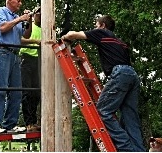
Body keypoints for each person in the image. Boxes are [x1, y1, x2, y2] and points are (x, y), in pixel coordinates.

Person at [61, 15, 145, 152]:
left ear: (102, 25)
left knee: (103, 111)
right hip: (132, 75)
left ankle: (126, 148)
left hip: (120, 73)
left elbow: (74, 34)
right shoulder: (120, 42)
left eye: (96, 25)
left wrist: (65, 37)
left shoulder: (101, 33)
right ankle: (138, 150)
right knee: (131, 117)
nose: (95, 27)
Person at [0, 0, 32, 134]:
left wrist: (28, 21)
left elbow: (27, 35)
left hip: (15, 55)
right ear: (10, 1)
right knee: (0, 88)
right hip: (2, 52)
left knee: (16, 91)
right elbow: (3, 28)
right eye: (18, 1)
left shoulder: (18, 18)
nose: (20, 3)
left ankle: (10, 124)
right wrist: (19, 20)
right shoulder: (1, 11)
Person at [20, 6, 41, 132]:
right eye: (38, 13)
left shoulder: (46, 28)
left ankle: (34, 121)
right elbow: (21, 39)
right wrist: (35, 41)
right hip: (26, 59)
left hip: (38, 61)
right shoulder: (28, 26)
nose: (40, 16)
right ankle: (28, 123)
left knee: (36, 93)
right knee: (27, 92)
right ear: (34, 15)